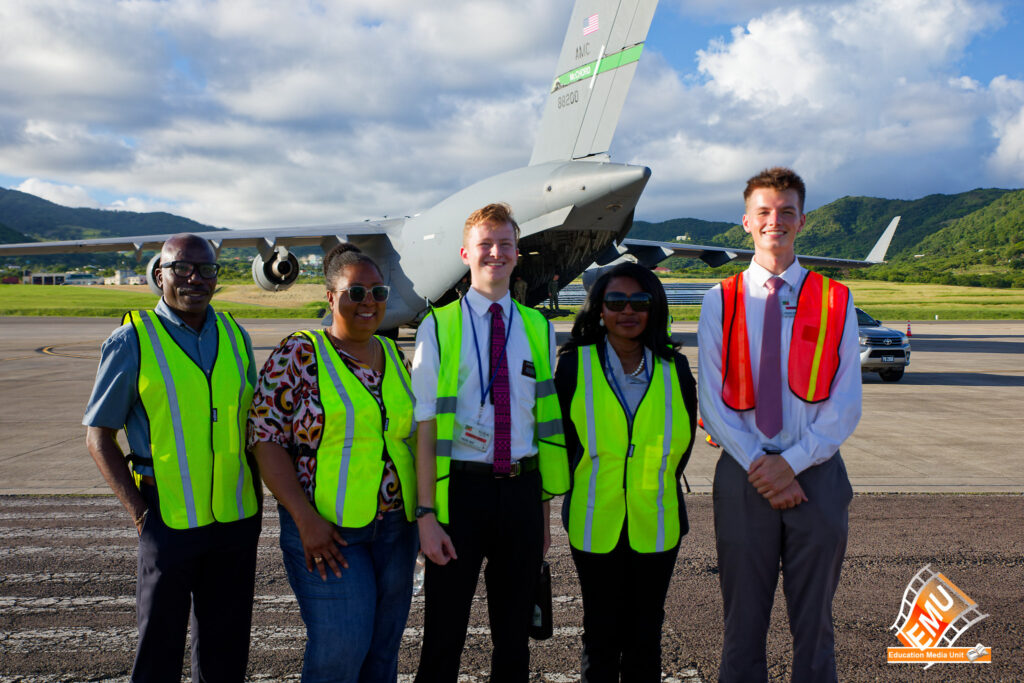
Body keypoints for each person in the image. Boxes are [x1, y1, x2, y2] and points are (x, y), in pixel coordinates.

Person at [697, 167, 861, 682]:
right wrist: (762, 467)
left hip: (816, 472)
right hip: (744, 474)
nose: (776, 221)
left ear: (802, 220)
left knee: (815, 626)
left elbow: (846, 402)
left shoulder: (837, 298)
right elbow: (712, 399)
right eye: (764, 212)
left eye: (786, 211)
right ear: (746, 222)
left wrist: (788, 464)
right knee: (742, 624)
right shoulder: (719, 299)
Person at [83, 233, 261, 682]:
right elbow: (98, 436)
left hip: (235, 520)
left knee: (227, 648)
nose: (195, 278)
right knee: (159, 646)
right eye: (182, 268)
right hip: (166, 518)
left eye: (207, 269)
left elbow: (250, 428)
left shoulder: (237, 337)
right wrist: (141, 516)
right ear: (159, 275)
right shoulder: (132, 340)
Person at [412, 203, 570, 682]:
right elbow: (424, 426)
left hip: (521, 492)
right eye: (485, 244)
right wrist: (426, 517)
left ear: (517, 254)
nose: (495, 253)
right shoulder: (437, 326)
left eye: (505, 244)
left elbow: (540, 425)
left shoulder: (538, 328)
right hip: (462, 494)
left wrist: (541, 518)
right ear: (465, 253)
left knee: (514, 637)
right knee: (443, 634)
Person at [248, 243, 418, 683]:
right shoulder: (299, 354)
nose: (368, 302)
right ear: (330, 297)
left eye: (377, 292)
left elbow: (407, 438)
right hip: (330, 532)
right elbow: (265, 439)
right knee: (341, 652)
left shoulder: (394, 358)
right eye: (355, 292)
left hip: (397, 531)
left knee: (383, 656)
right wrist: (304, 519)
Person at [555, 262, 697, 682]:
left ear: (656, 308)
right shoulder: (574, 365)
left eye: (641, 301)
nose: (628, 311)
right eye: (616, 301)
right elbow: (561, 442)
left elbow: (683, 443)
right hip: (594, 518)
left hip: (656, 519)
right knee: (599, 634)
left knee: (645, 636)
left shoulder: (676, 367)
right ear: (599, 309)